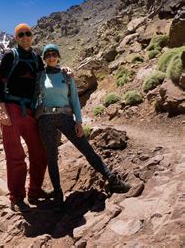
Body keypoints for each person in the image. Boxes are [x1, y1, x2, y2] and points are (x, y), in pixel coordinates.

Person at [35, 44, 131, 212]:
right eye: (47, 55)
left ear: (58, 56)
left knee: (86, 149)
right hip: (46, 120)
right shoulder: (40, 76)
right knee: (51, 158)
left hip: (65, 117)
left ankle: (111, 179)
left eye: (53, 54)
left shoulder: (66, 75)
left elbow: (75, 101)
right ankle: (58, 195)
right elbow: (34, 99)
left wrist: (78, 121)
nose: (50, 57)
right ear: (44, 58)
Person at [0, 23, 53, 212]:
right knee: (15, 156)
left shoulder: (37, 58)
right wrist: (2, 109)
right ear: (16, 38)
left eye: (28, 33)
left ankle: (35, 190)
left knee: (39, 152)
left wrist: (64, 72)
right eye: (21, 34)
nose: (25, 37)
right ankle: (17, 197)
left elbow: (45, 78)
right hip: (11, 108)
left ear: (32, 35)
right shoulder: (10, 56)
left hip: (29, 110)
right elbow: (0, 82)